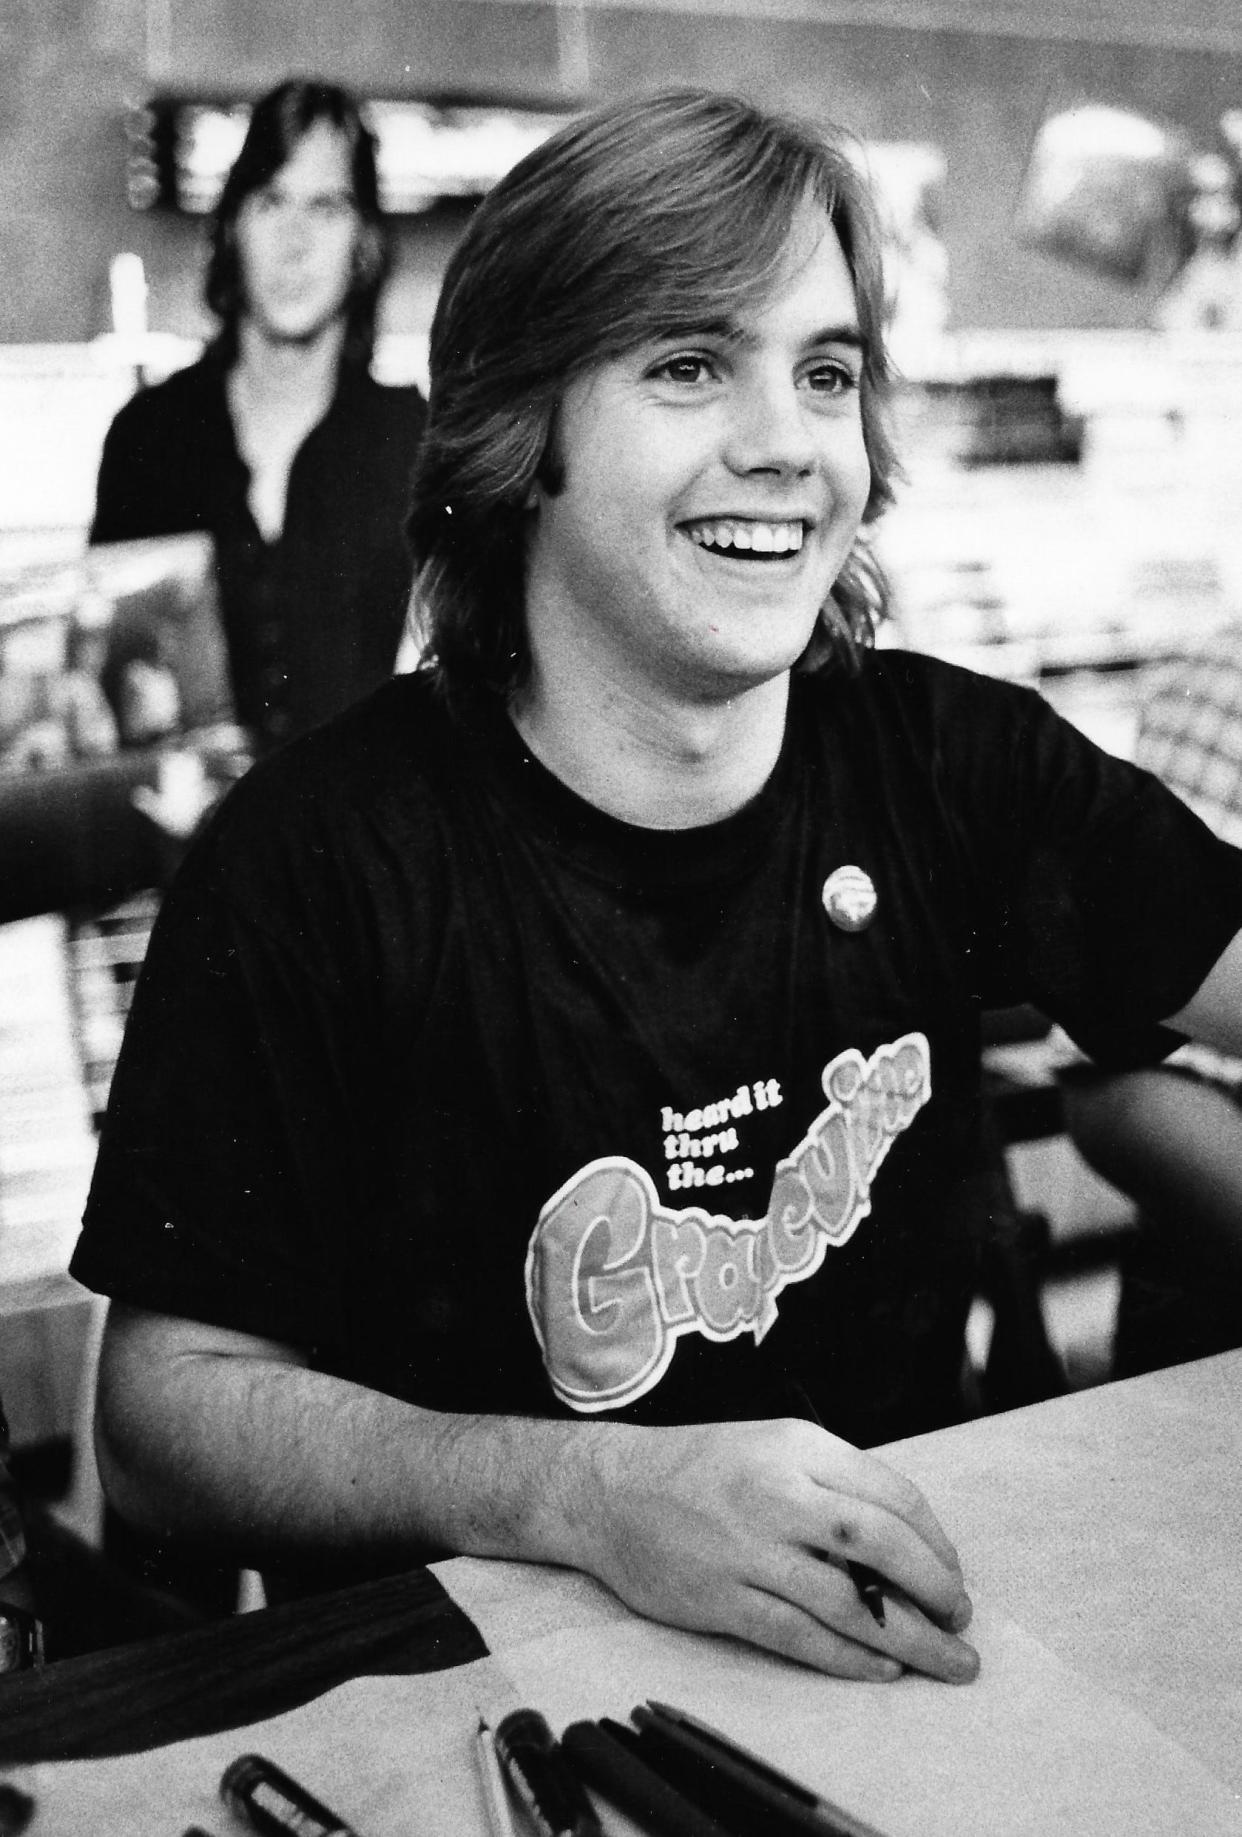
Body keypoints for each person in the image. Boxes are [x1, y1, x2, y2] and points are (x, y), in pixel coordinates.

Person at [70, 90, 1242, 1689]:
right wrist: (582, 1492)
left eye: (825, 373)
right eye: (689, 363)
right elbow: (161, 1413)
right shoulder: (314, 865)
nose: (784, 443)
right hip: (478, 1718)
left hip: (924, 1670)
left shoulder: (951, 762)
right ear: (520, 428)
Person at [89, 78, 426, 753]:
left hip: (368, 850)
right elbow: (108, 683)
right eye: (271, 201)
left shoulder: (413, 440)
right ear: (233, 224)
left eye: (326, 207)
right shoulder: (149, 435)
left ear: (364, 242)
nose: (294, 240)